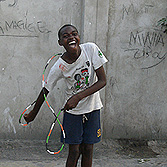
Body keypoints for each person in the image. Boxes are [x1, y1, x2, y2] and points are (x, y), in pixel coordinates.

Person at [24, 24, 108, 167]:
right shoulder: (59, 66)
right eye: (66, 36)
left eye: (74, 34)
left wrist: (77, 97)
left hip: (93, 108)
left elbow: (102, 81)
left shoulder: (91, 49)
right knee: (74, 151)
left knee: (88, 149)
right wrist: (34, 113)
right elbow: (45, 90)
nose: (71, 37)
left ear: (79, 37)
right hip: (73, 112)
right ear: (60, 43)